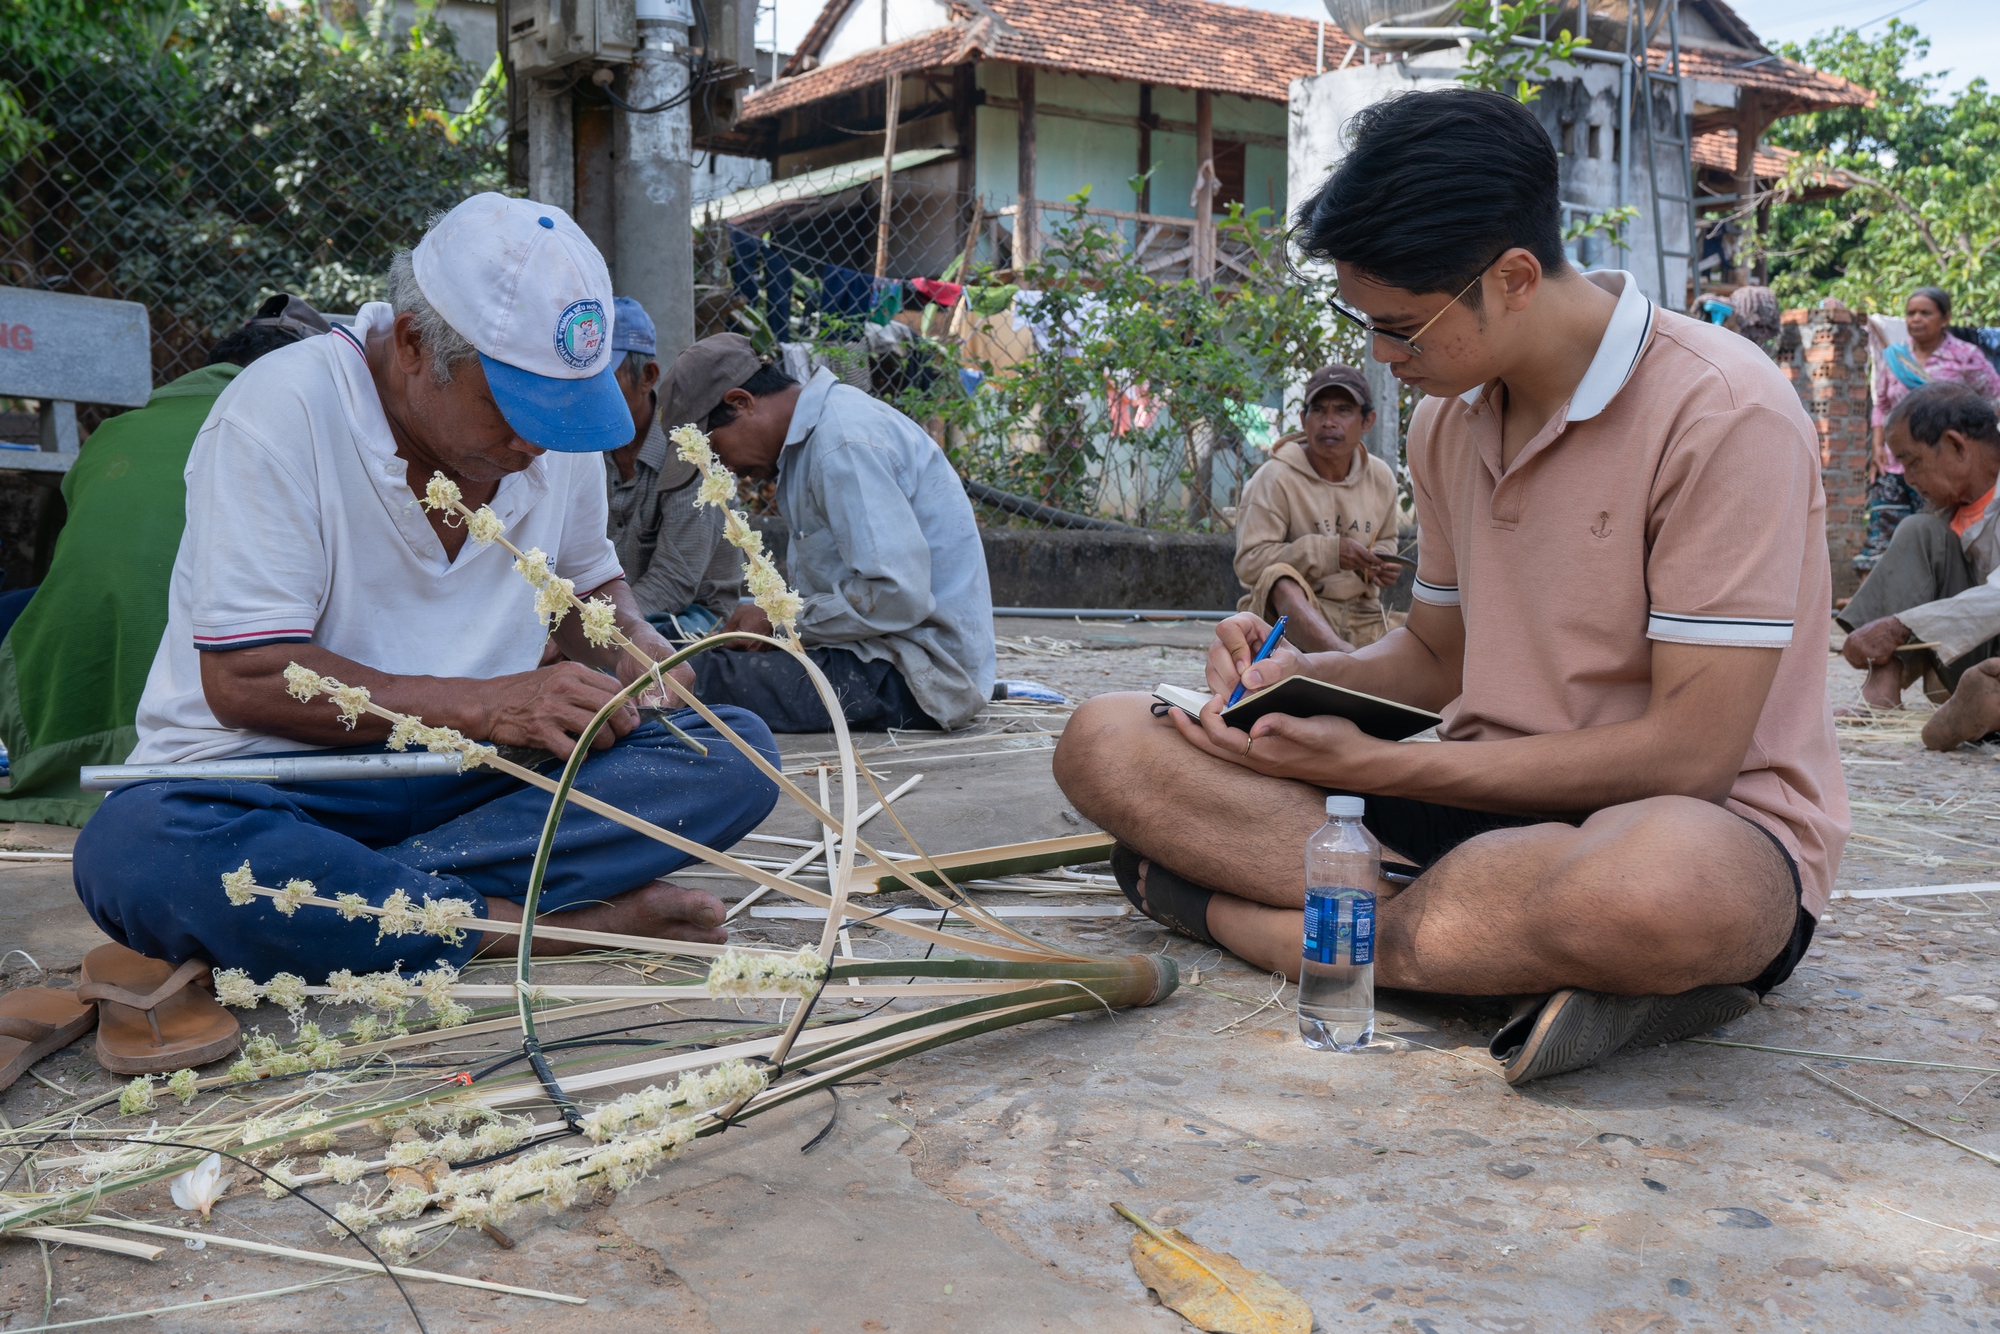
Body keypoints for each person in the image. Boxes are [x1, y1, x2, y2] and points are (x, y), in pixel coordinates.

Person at [1051, 88, 1847, 1086]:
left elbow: (1686, 756)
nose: (1383, 358)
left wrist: (1386, 774)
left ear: (1513, 278)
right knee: (1105, 739)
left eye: (1403, 328)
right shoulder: (1448, 421)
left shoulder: (1722, 413)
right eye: (1365, 321)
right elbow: (1435, 659)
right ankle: (1498, 950)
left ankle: (1289, 930)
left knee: (1662, 889)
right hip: (1472, 807)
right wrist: (1294, 685)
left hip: (1677, 820)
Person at [72, 194, 780, 983]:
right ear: (413, 345)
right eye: (512, 407)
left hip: (480, 787)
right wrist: (486, 704)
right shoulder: (280, 411)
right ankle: (546, 926)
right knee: (138, 853)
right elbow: (246, 679)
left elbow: (586, 589)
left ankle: (359, 906)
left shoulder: (550, 434)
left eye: (561, 411)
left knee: (735, 751)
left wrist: (637, 652)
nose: (534, 441)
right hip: (285, 783)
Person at [0, 295, 332, 827]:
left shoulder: (114, 434)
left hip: (68, 713)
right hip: (202, 730)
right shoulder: (302, 430)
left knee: (26, 606)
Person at [664, 333, 995, 733]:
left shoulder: (841, 445)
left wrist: (776, 618)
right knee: (682, 656)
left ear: (741, 403)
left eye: (715, 451)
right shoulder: (821, 438)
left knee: (696, 677)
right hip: (878, 656)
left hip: (913, 676)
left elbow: (899, 596)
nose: (724, 468)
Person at [1835, 381, 2000, 740]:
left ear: (1957, 445)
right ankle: (1883, 688)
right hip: (1971, 657)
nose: (1908, 479)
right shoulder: (1944, 511)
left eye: (1913, 462)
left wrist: (1899, 625)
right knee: (1918, 529)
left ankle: (1985, 703)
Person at [1233, 365, 1402, 653]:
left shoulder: (1381, 476)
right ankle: (1347, 664)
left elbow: (1386, 539)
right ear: (1303, 419)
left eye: (1343, 410)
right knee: (1280, 579)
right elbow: (1250, 563)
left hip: (1363, 616)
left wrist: (1380, 564)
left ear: (1367, 421)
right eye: (1319, 410)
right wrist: (1328, 553)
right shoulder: (1275, 477)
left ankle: (1354, 663)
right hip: (1290, 622)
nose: (1328, 422)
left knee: (1436, 641)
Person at [603, 297, 741, 637]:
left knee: (629, 666)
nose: (588, 395)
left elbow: (673, 584)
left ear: (647, 377)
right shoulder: (580, 447)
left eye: (604, 379)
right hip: (608, 610)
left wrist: (593, 627)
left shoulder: (690, 454)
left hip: (692, 614)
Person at [1860, 287, 2000, 570]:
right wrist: (1877, 447)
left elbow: (1994, 399)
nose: (1916, 319)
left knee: (1938, 534)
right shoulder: (1894, 358)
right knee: (1881, 530)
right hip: (1894, 461)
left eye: (1926, 313)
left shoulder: (1965, 355)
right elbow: (1882, 404)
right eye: (1911, 313)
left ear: (1945, 318)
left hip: (1942, 464)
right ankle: (1877, 600)